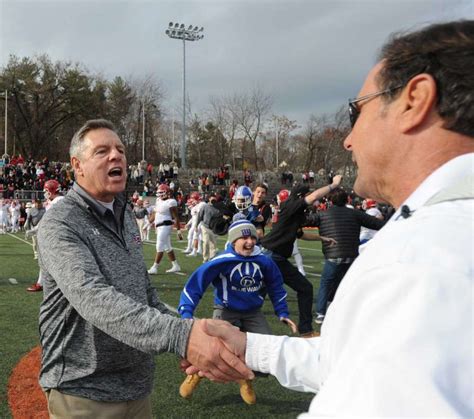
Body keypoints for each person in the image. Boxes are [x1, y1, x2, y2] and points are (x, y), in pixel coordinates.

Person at [197, 21, 474, 417]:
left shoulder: (420, 258)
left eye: (356, 111)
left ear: (415, 100)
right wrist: (251, 346)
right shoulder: (435, 237)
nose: (349, 138)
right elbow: (355, 357)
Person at [36, 119, 253, 418]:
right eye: (102, 151)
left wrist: (191, 331)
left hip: (137, 387)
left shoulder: (124, 214)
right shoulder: (60, 222)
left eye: (120, 150)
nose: (116, 156)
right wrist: (183, 337)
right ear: (78, 165)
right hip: (83, 393)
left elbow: (143, 291)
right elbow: (94, 298)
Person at [177, 220, 297, 404]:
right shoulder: (222, 260)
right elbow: (196, 284)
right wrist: (186, 312)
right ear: (233, 241)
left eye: (252, 237)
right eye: (244, 237)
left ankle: (245, 380)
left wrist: (282, 312)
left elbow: (276, 286)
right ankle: (196, 373)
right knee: (212, 347)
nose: (249, 241)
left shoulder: (264, 261)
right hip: (226, 310)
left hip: (253, 312)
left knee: (264, 349)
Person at [259, 178, 342, 337]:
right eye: (307, 196)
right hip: (272, 256)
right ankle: (306, 330)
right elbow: (313, 196)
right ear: (301, 196)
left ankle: (236, 320)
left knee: (258, 293)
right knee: (304, 288)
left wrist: (321, 238)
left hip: (273, 256)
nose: (311, 200)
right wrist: (334, 185)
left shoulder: (294, 212)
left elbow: (300, 234)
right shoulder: (292, 205)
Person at [312, 188, 385, 324]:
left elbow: (304, 221)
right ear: (347, 200)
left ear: (330, 200)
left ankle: (321, 314)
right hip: (351, 255)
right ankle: (347, 312)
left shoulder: (322, 214)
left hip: (333, 256)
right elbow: (378, 224)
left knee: (326, 284)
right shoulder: (355, 214)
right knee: (347, 285)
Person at [27, 179, 64, 292]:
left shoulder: (58, 201)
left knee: (49, 260)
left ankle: (42, 284)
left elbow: (48, 220)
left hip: (60, 236)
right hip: (57, 235)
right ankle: (41, 283)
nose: (44, 193)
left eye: (46, 191)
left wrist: (34, 229)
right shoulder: (57, 201)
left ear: (51, 190)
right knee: (46, 260)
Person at [147, 183, 182, 274]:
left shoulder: (171, 202)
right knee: (167, 247)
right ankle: (175, 265)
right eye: (159, 192)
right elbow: (155, 213)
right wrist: (148, 223)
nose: (160, 194)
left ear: (167, 192)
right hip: (158, 226)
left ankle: (154, 267)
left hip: (165, 226)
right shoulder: (158, 200)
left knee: (159, 246)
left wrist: (178, 231)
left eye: (162, 192)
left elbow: (176, 217)